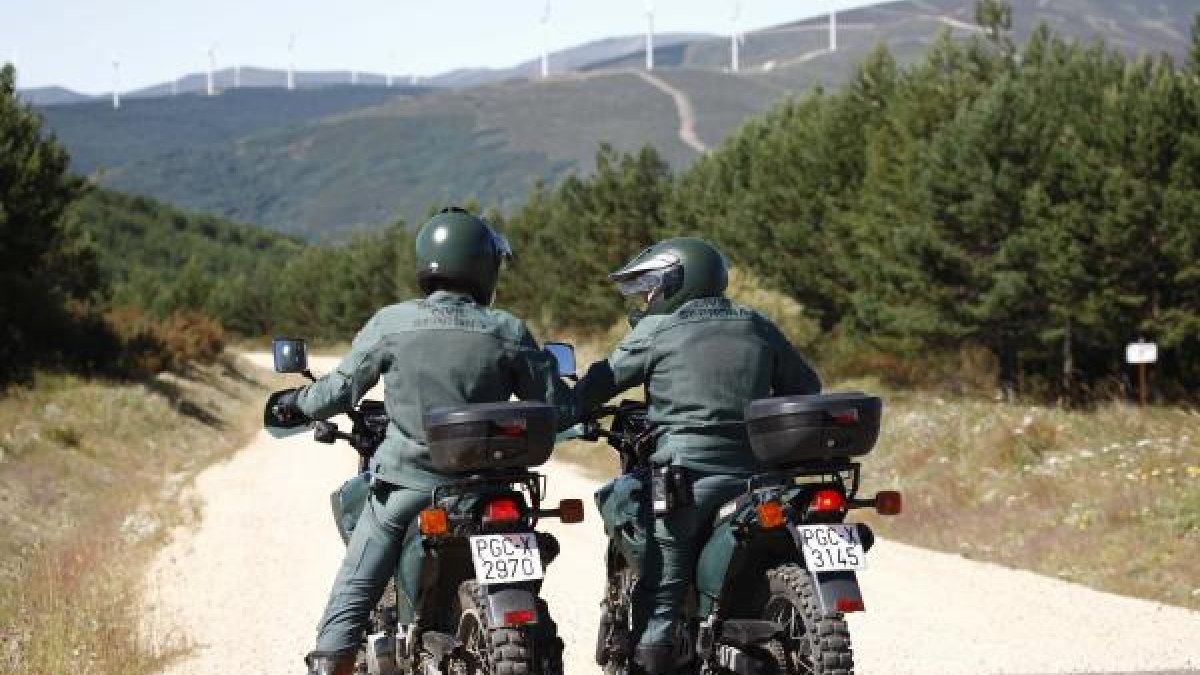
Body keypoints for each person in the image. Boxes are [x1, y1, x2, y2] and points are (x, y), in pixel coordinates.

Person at [270, 207, 572, 675]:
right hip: (489, 490)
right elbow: (553, 404)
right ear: (483, 266)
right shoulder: (507, 329)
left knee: (359, 573)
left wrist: (297, 402)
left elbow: (338, 390)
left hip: (410, 487)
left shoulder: (391, 323)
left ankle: (332, 658)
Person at [573, 237, 821, 675]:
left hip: (686, 480)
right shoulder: (756, 325)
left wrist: (569, 410)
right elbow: (806, 388)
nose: (647, 299)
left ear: (676, 282)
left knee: (661, 600)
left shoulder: (658, 331)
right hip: (759, 482)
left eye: (651, 288)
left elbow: (593, 389)